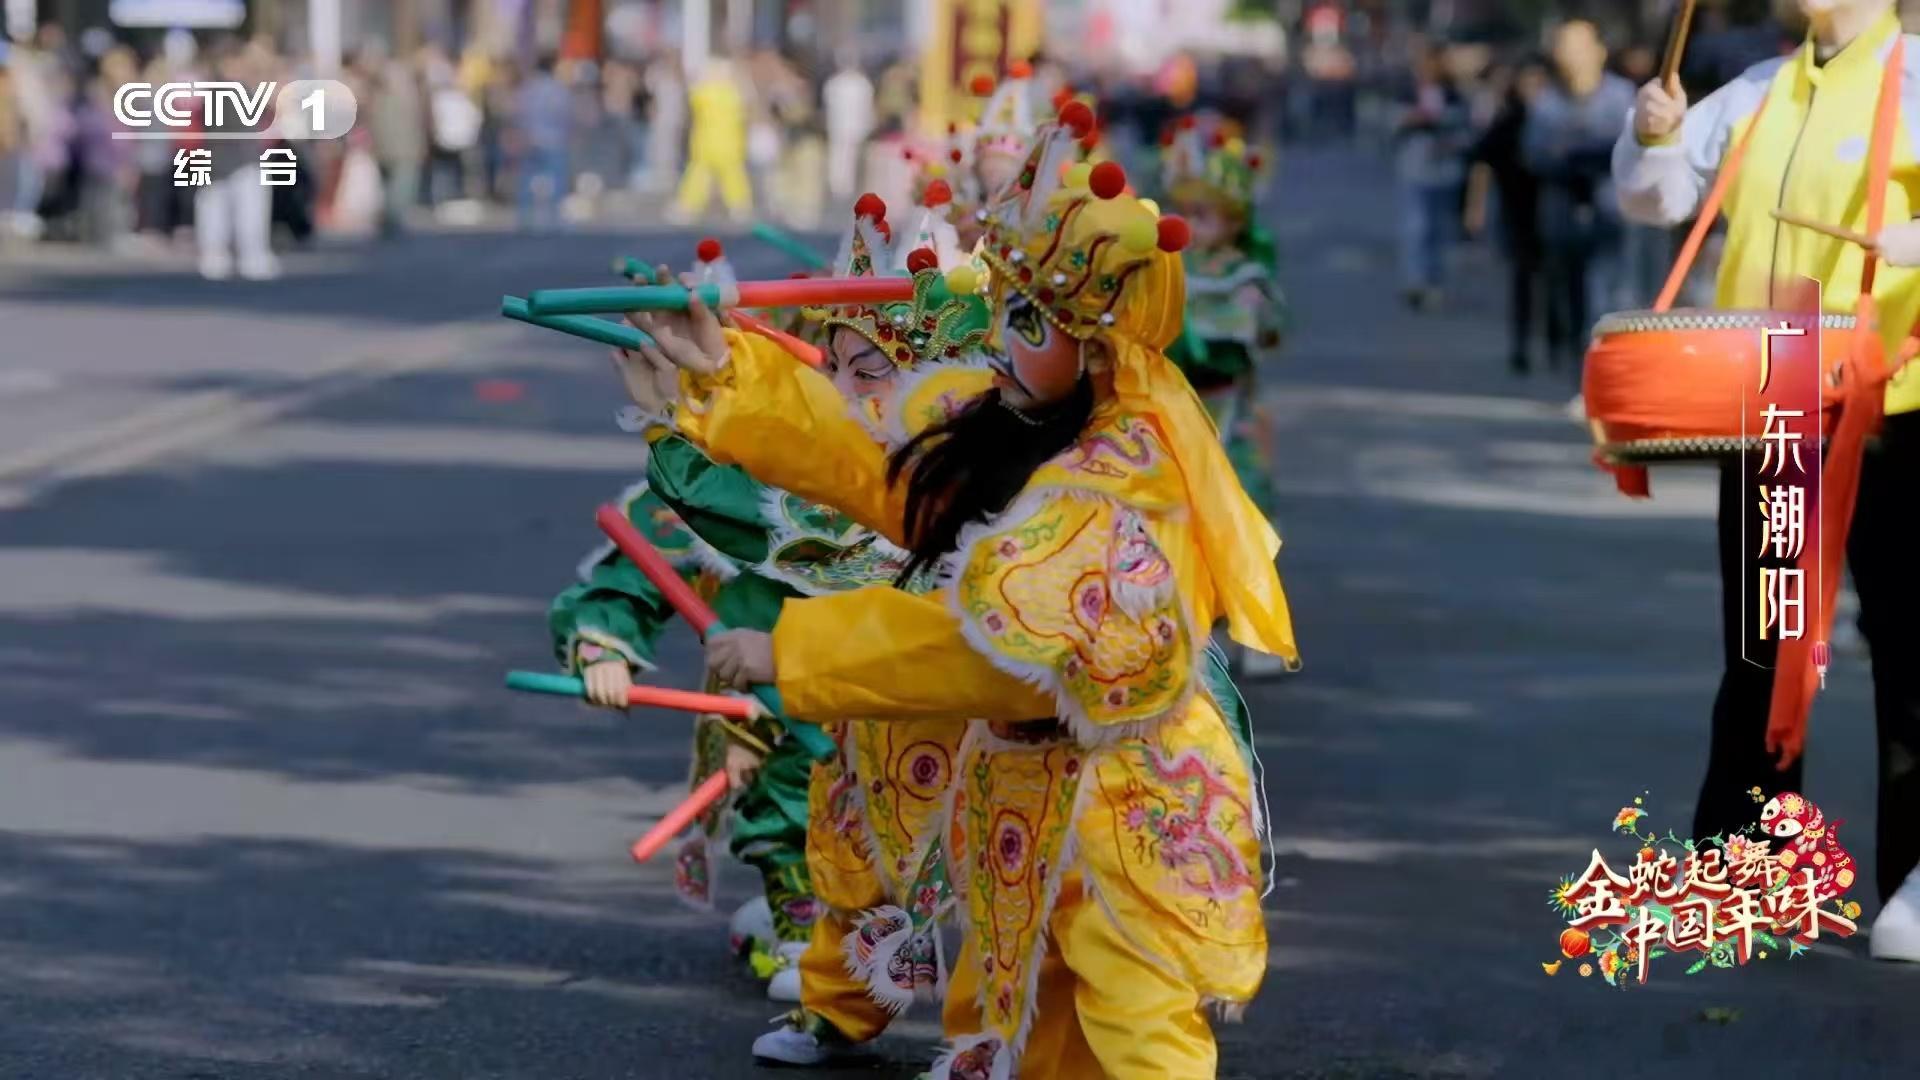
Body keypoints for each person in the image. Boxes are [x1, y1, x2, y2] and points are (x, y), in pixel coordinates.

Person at [621, 102, 1293, 1079]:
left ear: (1095, 340)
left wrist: (795, 652)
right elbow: (884, 464)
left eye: (1027, 319)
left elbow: (993, 651)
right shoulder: (1027, 416)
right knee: (1018, 1027)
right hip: (1022, 792)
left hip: (1123, 799)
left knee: (1136, 1036)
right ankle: (837, 998)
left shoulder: (1122, 475)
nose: (1000, 343)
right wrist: (726, 374)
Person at [1614, 0, 1920, 961]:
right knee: (1762, 638)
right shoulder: (1755, 89)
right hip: (1776, 390)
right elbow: (1655, 198)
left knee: (1908, 646)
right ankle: (1748, 862)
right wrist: (1650, 135)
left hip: (1895, 402)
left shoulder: (1916, 83)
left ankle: (1915, 874)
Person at [1160, 114, 1287, 566]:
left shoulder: (1243, 272)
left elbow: (1265, 329)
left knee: (1241, 490)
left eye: (1205, 214)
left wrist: (1237, 321)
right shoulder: (1170, 262)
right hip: (1172, 398)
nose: (1194, 223)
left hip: (1228, 400)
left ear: (1234, 219)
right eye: (1187, 212)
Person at [1526, 20, 1634, 387]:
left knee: (1605, 293)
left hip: (1609, 213)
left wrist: (1573, 152)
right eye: (1564, 46)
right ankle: (1576, 366)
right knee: (1567, 294)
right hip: (1561, 214)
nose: (1571, 55)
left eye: (1579, 46)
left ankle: (1602, 373)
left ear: (1599, 51)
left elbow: (1627, 149)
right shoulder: (1546, 101)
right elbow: (1534, 153)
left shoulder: (1621, 97)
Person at [1467, 55, 1549, 375]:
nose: (1534, 91)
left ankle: (1560, 340)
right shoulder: (1509, 121)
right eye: (1528, 83)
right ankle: (1522, 345)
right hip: (1519, 214)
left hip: (1555, 214)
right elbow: (1481, 159)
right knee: (1524, 281)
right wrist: (1475, 208)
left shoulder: (1557, 121)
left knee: (1558, 281)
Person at [1391, 42, 1472, 310]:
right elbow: (1392, 125)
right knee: (1416, 227)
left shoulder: (1454, 95)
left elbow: (1466, 132)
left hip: (1444, 171)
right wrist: (1410, 121)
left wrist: (1451, 141)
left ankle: (1434, 281)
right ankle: (1416, 281)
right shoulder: (1408, 93)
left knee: (1438, 229)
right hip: (1415, 169)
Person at [674, 57, 753, 224]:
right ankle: (740, 207)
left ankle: (687, 208)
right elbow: (746, 109)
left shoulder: (703, 94)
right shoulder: (734, 95)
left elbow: (692, 98)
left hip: (705, 145)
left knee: (698, 177)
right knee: (733, 177)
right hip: (730, 145)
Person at [514, 53, 572, 229]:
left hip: (531, 138)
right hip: (553, 140)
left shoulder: (529, 88)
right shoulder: (557, 89)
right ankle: (554, 216)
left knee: (527, 179)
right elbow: (563, 114)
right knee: (557, 179)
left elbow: (519, 113)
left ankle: (524, 217)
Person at [823, 57, 874, 206]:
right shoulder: (860, 83)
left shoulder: (838, 83)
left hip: (845, 126)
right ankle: (841, 189)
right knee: (842, 157)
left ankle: (841, 189)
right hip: (846, 126)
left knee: (841, 157)